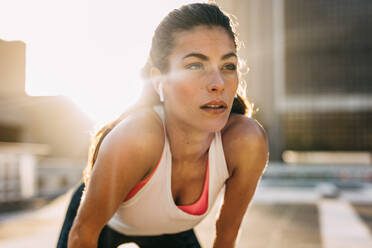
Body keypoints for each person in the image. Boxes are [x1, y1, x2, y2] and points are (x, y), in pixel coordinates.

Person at [57, 2, 268, 248]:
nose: (218, 83)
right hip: (104, 224)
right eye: (195, 65)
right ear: (160, 81)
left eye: (228, 66)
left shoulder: (246, 141)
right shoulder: (137, 139)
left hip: (171, 232)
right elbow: (83, 234)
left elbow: (226, 236)